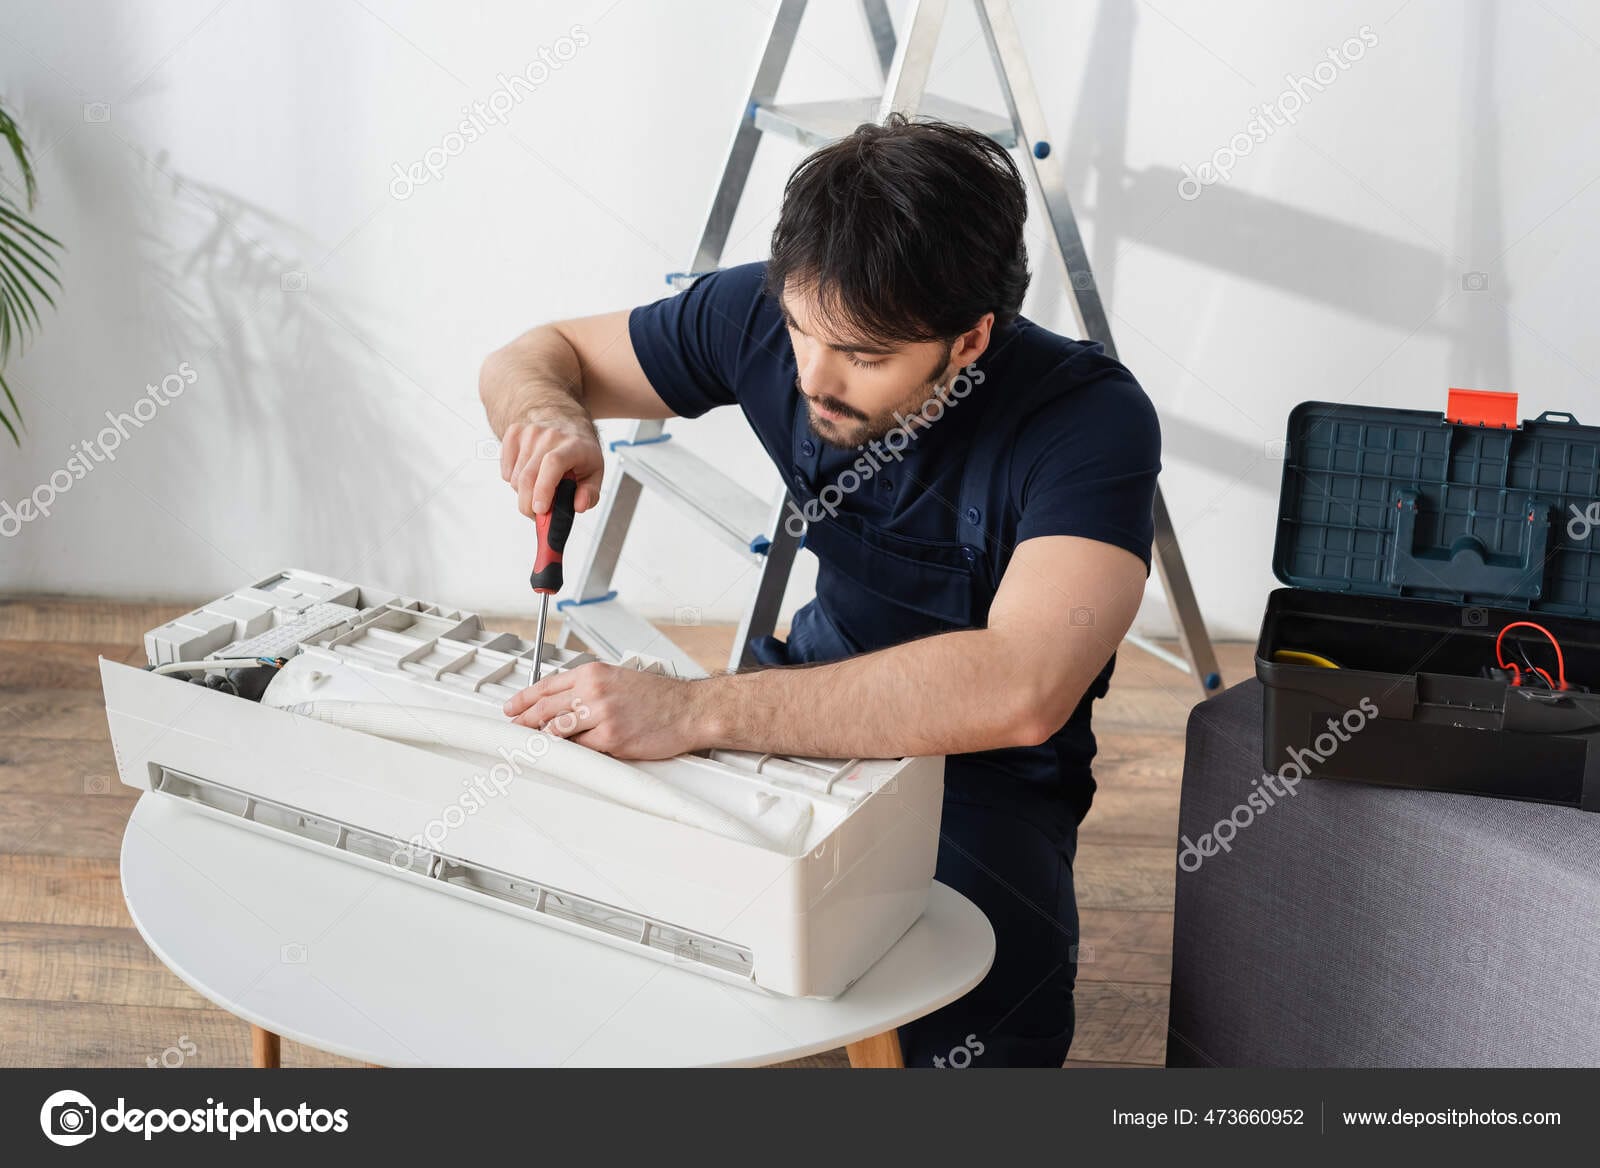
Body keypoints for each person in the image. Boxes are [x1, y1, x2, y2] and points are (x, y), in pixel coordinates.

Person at [479, 114, 1160, 1068]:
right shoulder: (767, 318)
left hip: (981, 773)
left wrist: (692, 710)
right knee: (586, 925)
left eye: (866, 356)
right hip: (798, 695)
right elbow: (532, 353)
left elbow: (1022, 686)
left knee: (988, 1031)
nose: (814, 376)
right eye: (803, 330)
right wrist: (551, 417)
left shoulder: (1088, 421)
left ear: (969, 340)